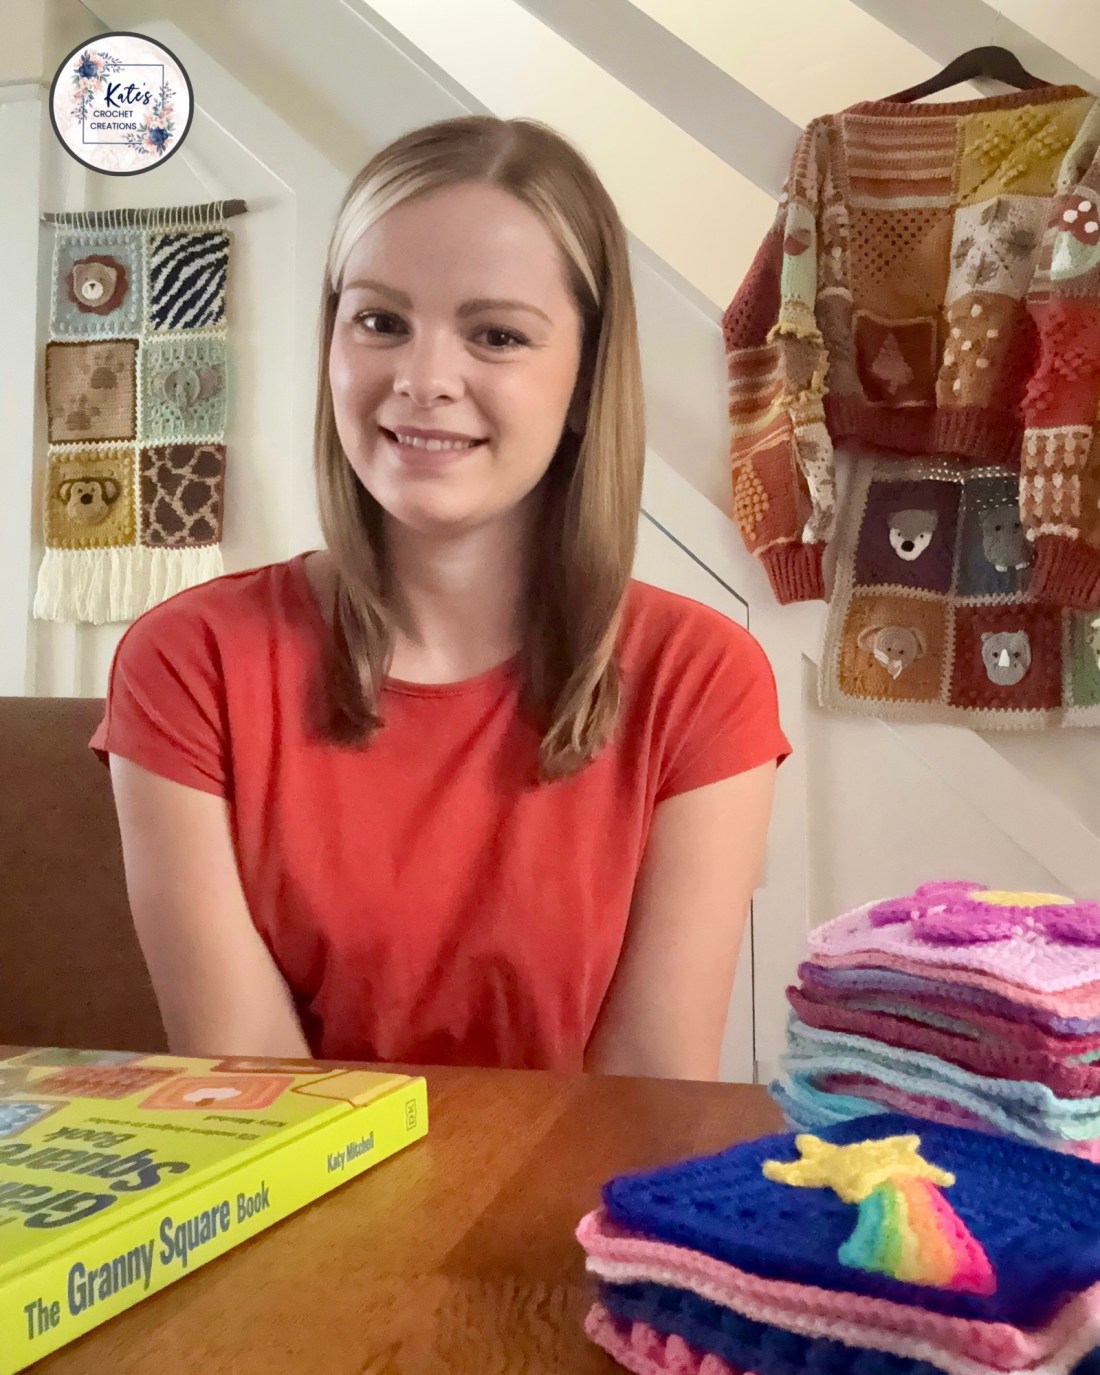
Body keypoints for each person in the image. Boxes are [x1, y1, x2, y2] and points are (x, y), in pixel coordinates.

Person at [92, 115, 791, 1080]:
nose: (422, 381)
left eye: (496, 335)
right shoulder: (187, 661)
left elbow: (648, 1090)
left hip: (574, 1222)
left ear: (585, 379)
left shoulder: (702, 678)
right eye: (379, 321)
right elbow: (252, 1093)